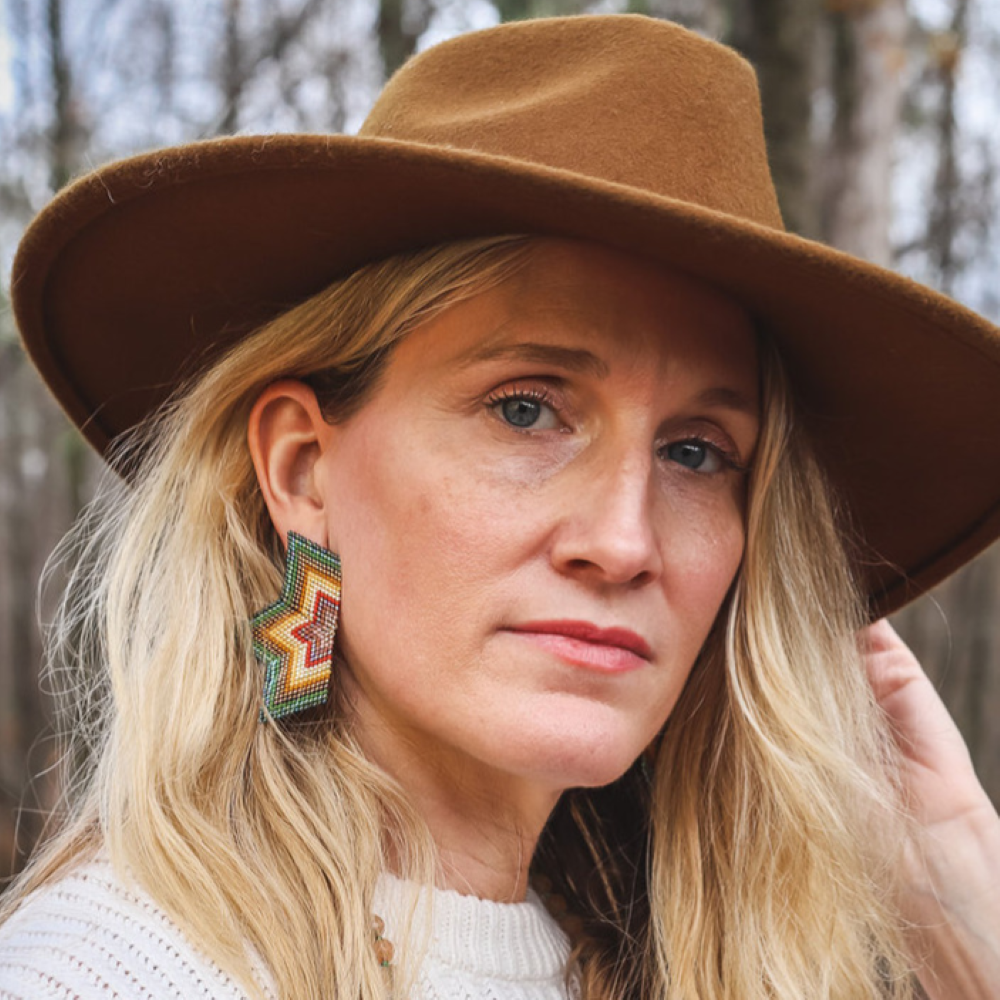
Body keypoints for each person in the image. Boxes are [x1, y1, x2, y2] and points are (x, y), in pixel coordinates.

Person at [1, 14, 998, 1000]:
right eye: (526, 410)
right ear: (304, 469)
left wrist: (955, 891)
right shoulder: (119, 969)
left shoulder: (678, 964)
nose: (622, 541)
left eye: (695, 451)